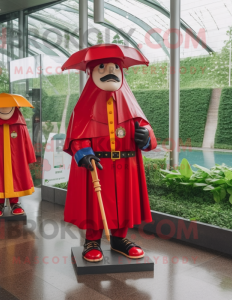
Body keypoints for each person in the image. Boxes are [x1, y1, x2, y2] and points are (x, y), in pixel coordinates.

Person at [62, 44, 157, 262]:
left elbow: (145, 127)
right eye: (102, 67)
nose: (110, 71)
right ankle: (92, 241)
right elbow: (76, 136)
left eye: (115, 67)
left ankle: (119, 239)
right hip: (97, 165)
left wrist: (146, 135)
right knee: (95, 203)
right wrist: (83, 152)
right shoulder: (83, 107)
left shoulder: (131, 104)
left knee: (124, 202)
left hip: (127, 164)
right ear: (91, 73)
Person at [0, 106, 36, 217]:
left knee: (16, 178)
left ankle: (15, 203)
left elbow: (26, 141)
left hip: (16, 160)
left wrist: (30, 158)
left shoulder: (20, 125)